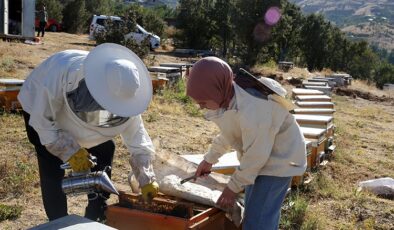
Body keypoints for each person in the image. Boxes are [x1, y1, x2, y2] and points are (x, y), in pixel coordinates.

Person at [18, 43, 159, 222]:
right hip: (40, 110)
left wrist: (147, 178)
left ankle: (96, 213)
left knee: (106, 148)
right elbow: (42, 122)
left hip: (76, 119)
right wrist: (69, 152)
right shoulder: (61, 75)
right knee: (51, 164)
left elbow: (138, 141)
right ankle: (59, 221)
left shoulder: (125, 93)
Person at [186, 57, 306, 230]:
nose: (200, 107)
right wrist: (209, 159)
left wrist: (232, 187)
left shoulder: (253, 107)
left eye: (203, 102)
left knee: (258, 221)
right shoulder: (229, 98)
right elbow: (230, 134)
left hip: (279, 161)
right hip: (261, 158)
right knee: (255, 213)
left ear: (217, 90)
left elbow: (256, 154)